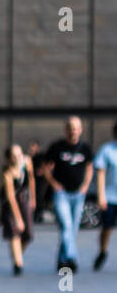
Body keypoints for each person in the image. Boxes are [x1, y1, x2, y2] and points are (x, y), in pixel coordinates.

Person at [39, 116, 93, 274]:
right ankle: (71, 258)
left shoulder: (85, 149)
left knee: (72, 229)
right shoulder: (57, 147)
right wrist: (54, 184)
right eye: (70, 128)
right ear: (66, 130)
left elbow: (90, 167)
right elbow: (45, 167)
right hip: (61, 194)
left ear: (80, 130)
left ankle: (61, 260)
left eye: (76, 128)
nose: (73, 131)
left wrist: (85, 186)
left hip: (78, 194)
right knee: (66, 226)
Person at [0, 144, 34, 275]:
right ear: (9, 159)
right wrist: (18, 218)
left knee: (28, 235)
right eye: (14, 156)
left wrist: (34, 198)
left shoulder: (27, 162)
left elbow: (31, 179)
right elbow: (10, 197)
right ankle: (18, 264)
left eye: (19, 155)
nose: (17, 158)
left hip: (25, 200)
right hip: (12, 203)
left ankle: (17, 253)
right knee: (14, 232)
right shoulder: (7, 173)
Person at [93, 121, 117, 271]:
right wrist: (101, 195)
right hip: (110, 197)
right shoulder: (107, 150)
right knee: (107, 227)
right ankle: (102, 251)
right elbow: (100, 173)